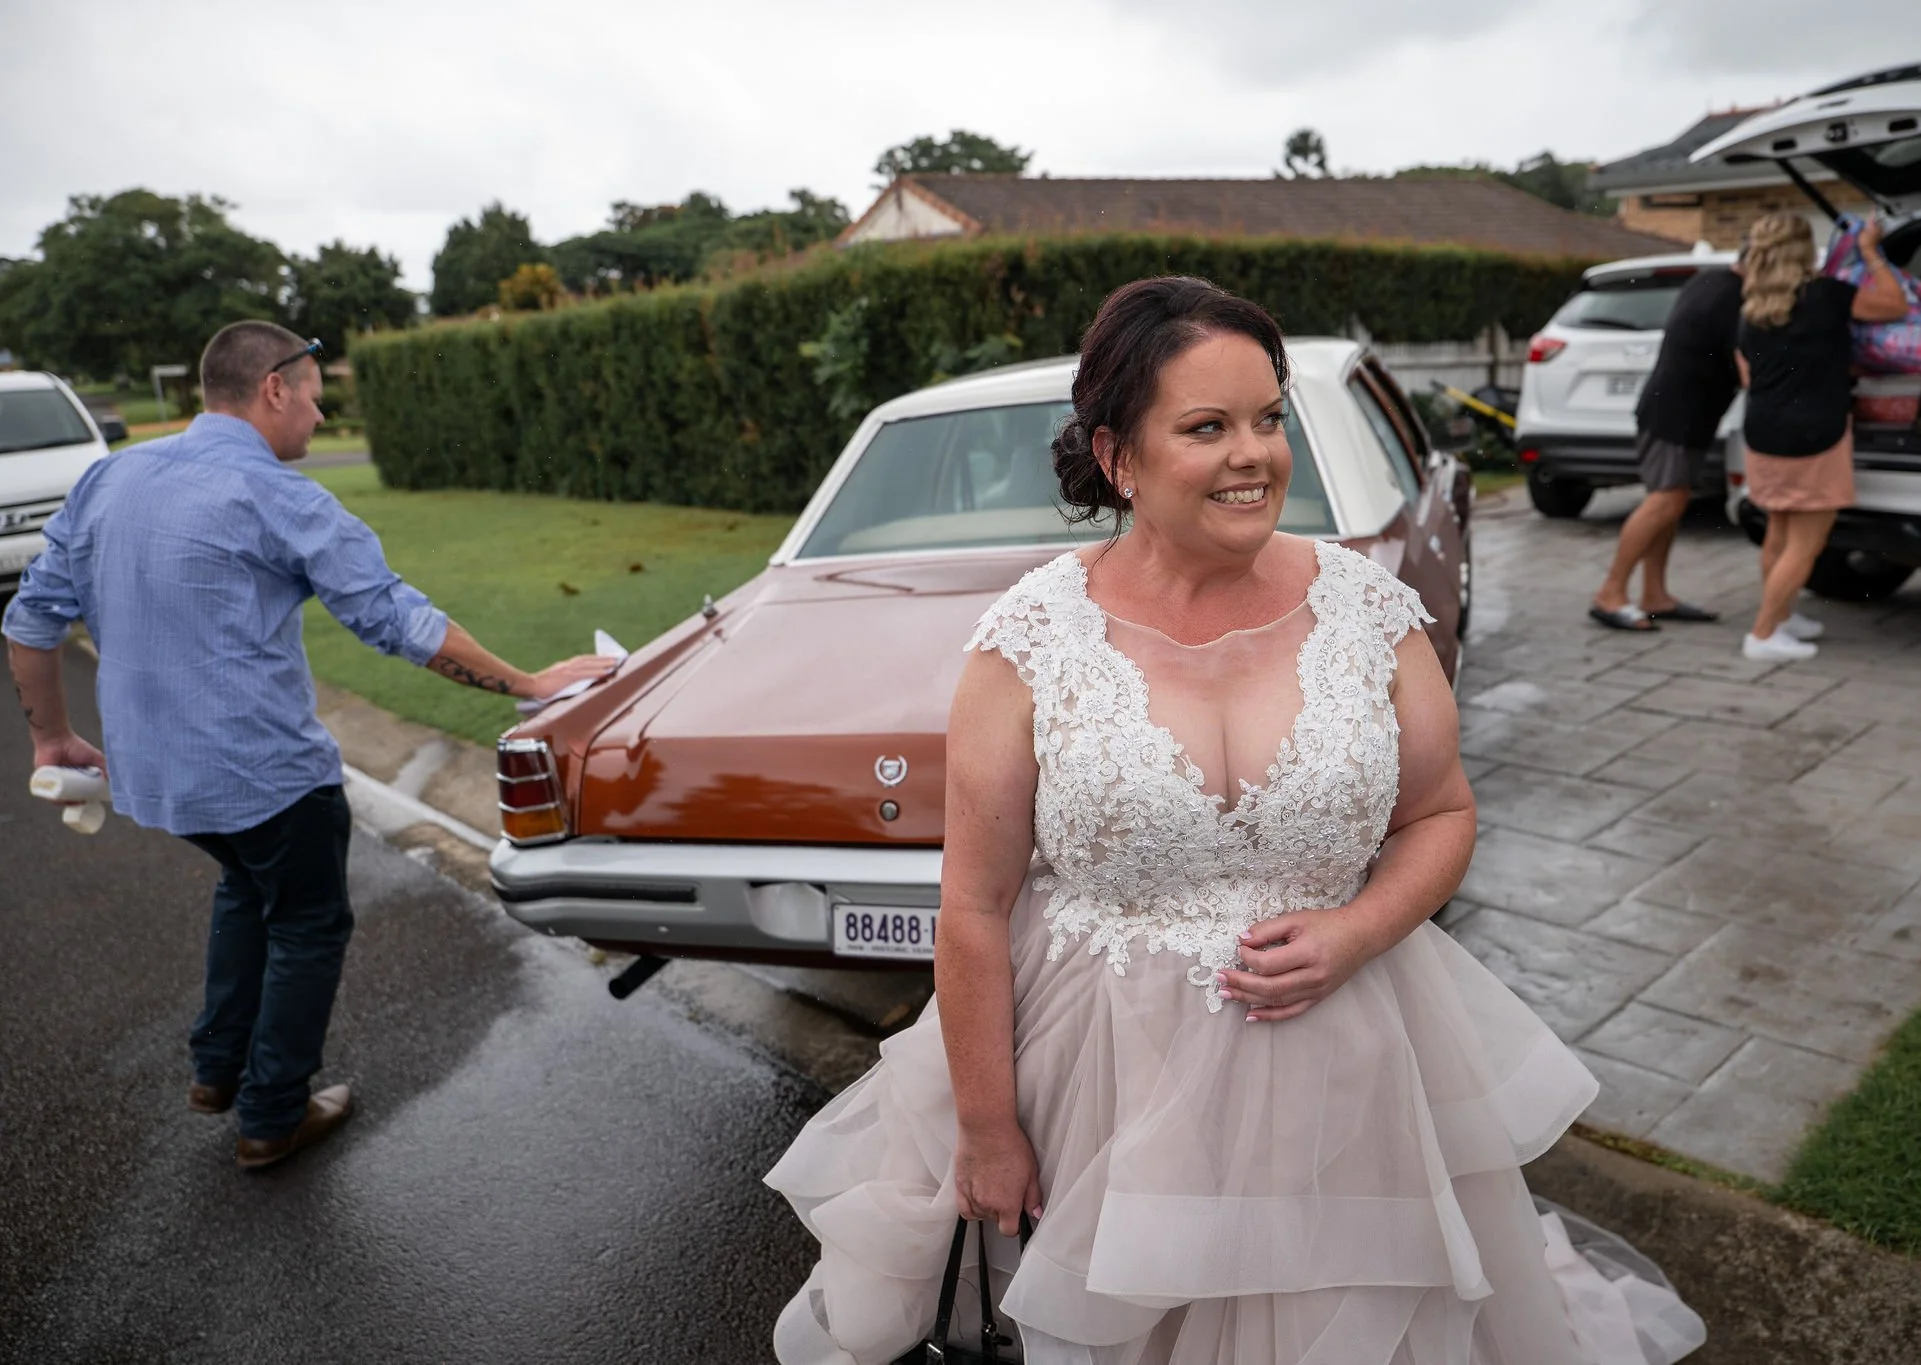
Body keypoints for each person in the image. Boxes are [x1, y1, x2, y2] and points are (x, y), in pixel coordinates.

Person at [765, 279, 1703, 1363]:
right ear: (1118, 456)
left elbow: (1440, 813)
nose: (1252, 453)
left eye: (1268, 418)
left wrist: (1357, 929)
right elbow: (972, 906)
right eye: (1206, 427)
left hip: (1343, 1067)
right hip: (1098, 1076)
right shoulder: (1028, 641)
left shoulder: (1366, 609)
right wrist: (985, 1126)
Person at [3, 320, 616, 1170]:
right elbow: (397, 621)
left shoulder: (109, 478)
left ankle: (217, 1068)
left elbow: (28, 622)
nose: (322, 421)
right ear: (274, 389)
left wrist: (53, 739)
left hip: (158, 776)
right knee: (306, 921)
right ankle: (272, 1113)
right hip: (267, 776)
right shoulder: (282, 498)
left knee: (245, 885)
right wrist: (528, 683)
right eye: (318, 401)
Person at [1735, 212, 1907, 661]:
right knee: (1805, 545)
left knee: (1779, 531)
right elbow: (1894, 305)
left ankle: (1783, 616)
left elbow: (1750, 374)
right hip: (1815, 434)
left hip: (1763, 431)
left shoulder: (1751, 310)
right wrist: (1870, 251)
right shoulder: (1826, 296)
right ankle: (1764, 634)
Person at [1588, 258, 1746, 632]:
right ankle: (1609, 593)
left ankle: (1655, 594)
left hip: (1675, 414)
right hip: (1675, 418)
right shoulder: (1730, 298)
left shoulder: (1712, 281)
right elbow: (1747, 367)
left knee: (1669, 502)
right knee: (1665, 501)